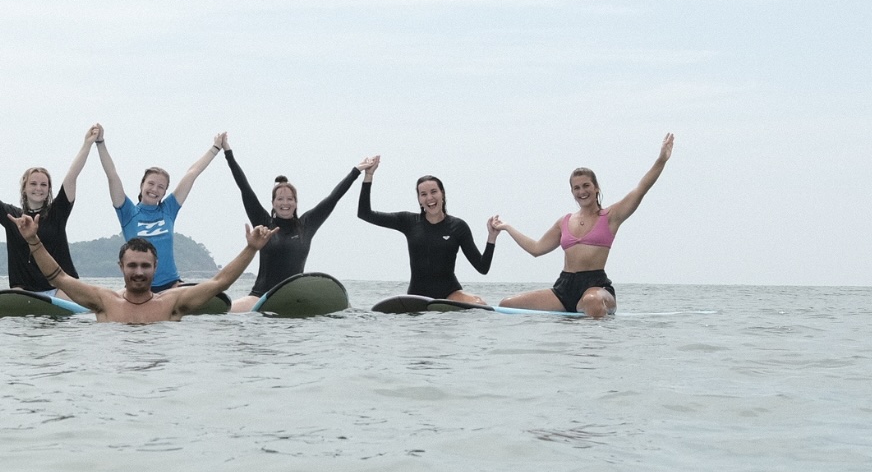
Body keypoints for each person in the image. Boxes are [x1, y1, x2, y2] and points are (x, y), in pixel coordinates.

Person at [490, 133, 675, 318]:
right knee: (507, 304)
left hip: (596, 287)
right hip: (564, 288)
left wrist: (661, 160)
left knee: (592, 301)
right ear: (572, 192)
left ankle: (595, 330)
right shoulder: (564, 222)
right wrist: (507, 227)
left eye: (586, 185)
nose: (582, 191)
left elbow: (641, 189)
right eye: (576, 188)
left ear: (596, 188)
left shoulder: (611, 216)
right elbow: (536, 249)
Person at [12, 212, 273, 323]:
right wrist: (33, 240)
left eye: (145, 266)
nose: (139, 272)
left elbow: (220, 283)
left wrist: (251, 248)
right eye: (133, 265)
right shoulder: (104, 301)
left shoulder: (172, 302)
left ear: (155, 267)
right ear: (121, 267)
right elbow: (58, 277)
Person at [0, 125, 99, 291]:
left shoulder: (57, 212)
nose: (38, 188)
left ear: (48, 190)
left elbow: (72, 176)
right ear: (24, 188)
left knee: (70, 292)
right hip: (24, 291)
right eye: (33, 184)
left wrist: (87, 144)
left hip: (61, 290)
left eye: (43, 185)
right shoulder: (12, 216)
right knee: (16, 292)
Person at [220, 138, 365, 310]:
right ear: (273, 203)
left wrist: (356, 171)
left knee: (349, 310)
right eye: (280, 199)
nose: (285, 203)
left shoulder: (306, 225)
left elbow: (333, 198)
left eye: (290, 199)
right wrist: (228, 152)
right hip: (261, 297)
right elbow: (245, 188)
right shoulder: (264, 223)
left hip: (294, 299)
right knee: (227, 312)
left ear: (296, 203)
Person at [96, 128, 225, 291]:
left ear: (164, 193)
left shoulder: (168, 210)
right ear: (142, 185)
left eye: (160, 187)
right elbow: (112, 175)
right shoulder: (128, 212)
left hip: (171, 285)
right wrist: (100, 142)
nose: (154, 189)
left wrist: (215, 148)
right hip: (139, 287)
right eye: (151, 184)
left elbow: (192, 173)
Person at [356, 158, 496, 305]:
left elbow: (482, 268)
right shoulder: (408, 221)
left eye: (433, 192)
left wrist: (491, 238)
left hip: (449, 294)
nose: (429, 198)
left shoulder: (458, 226)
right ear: (419, 199)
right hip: (417, 296)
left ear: (442, 193)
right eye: (423, 194)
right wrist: (368, 176)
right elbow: (364, 213)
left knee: (479, 303)